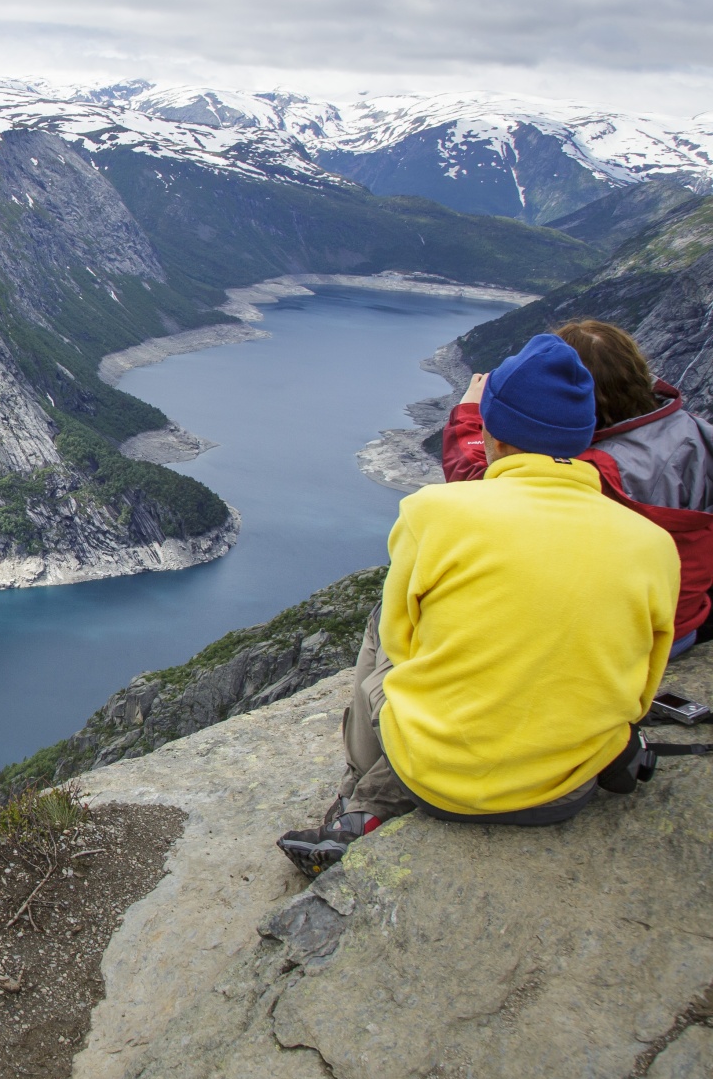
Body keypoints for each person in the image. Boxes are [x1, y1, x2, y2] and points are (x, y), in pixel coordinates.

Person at [279, 334, 678, 876]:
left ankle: (362, 796)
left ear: (491, 433)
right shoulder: (652, 543)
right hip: (568, 789)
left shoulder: (433, 512)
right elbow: (644, 683)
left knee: (379, 624)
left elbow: (403, 642)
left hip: (438, 781)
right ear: (585, 437)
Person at [443, 319, 713, 656]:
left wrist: (471, 414)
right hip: (682, 622)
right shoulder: (697, 433)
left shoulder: (594, 472)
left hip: (618, 637)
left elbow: (484, 490)